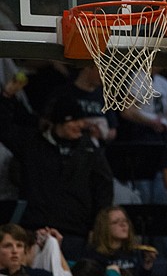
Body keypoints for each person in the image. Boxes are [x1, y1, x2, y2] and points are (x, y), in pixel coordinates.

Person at [0, 85, 114, 261]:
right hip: (34, 229)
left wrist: (96, 227)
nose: (81, 125)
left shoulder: (89, 149)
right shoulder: (32, 144)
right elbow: (4, 129)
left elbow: (104, 188)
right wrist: (6, 97)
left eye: (81, 120)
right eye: (74, 121)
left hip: (75, 232)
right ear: (59, 122)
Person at [83, 206, 157, 276]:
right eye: (115, 222)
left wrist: (147, 267)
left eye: (125, 221)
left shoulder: (133, 252)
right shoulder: (94, 255)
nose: (123, 224)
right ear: (104, 228)